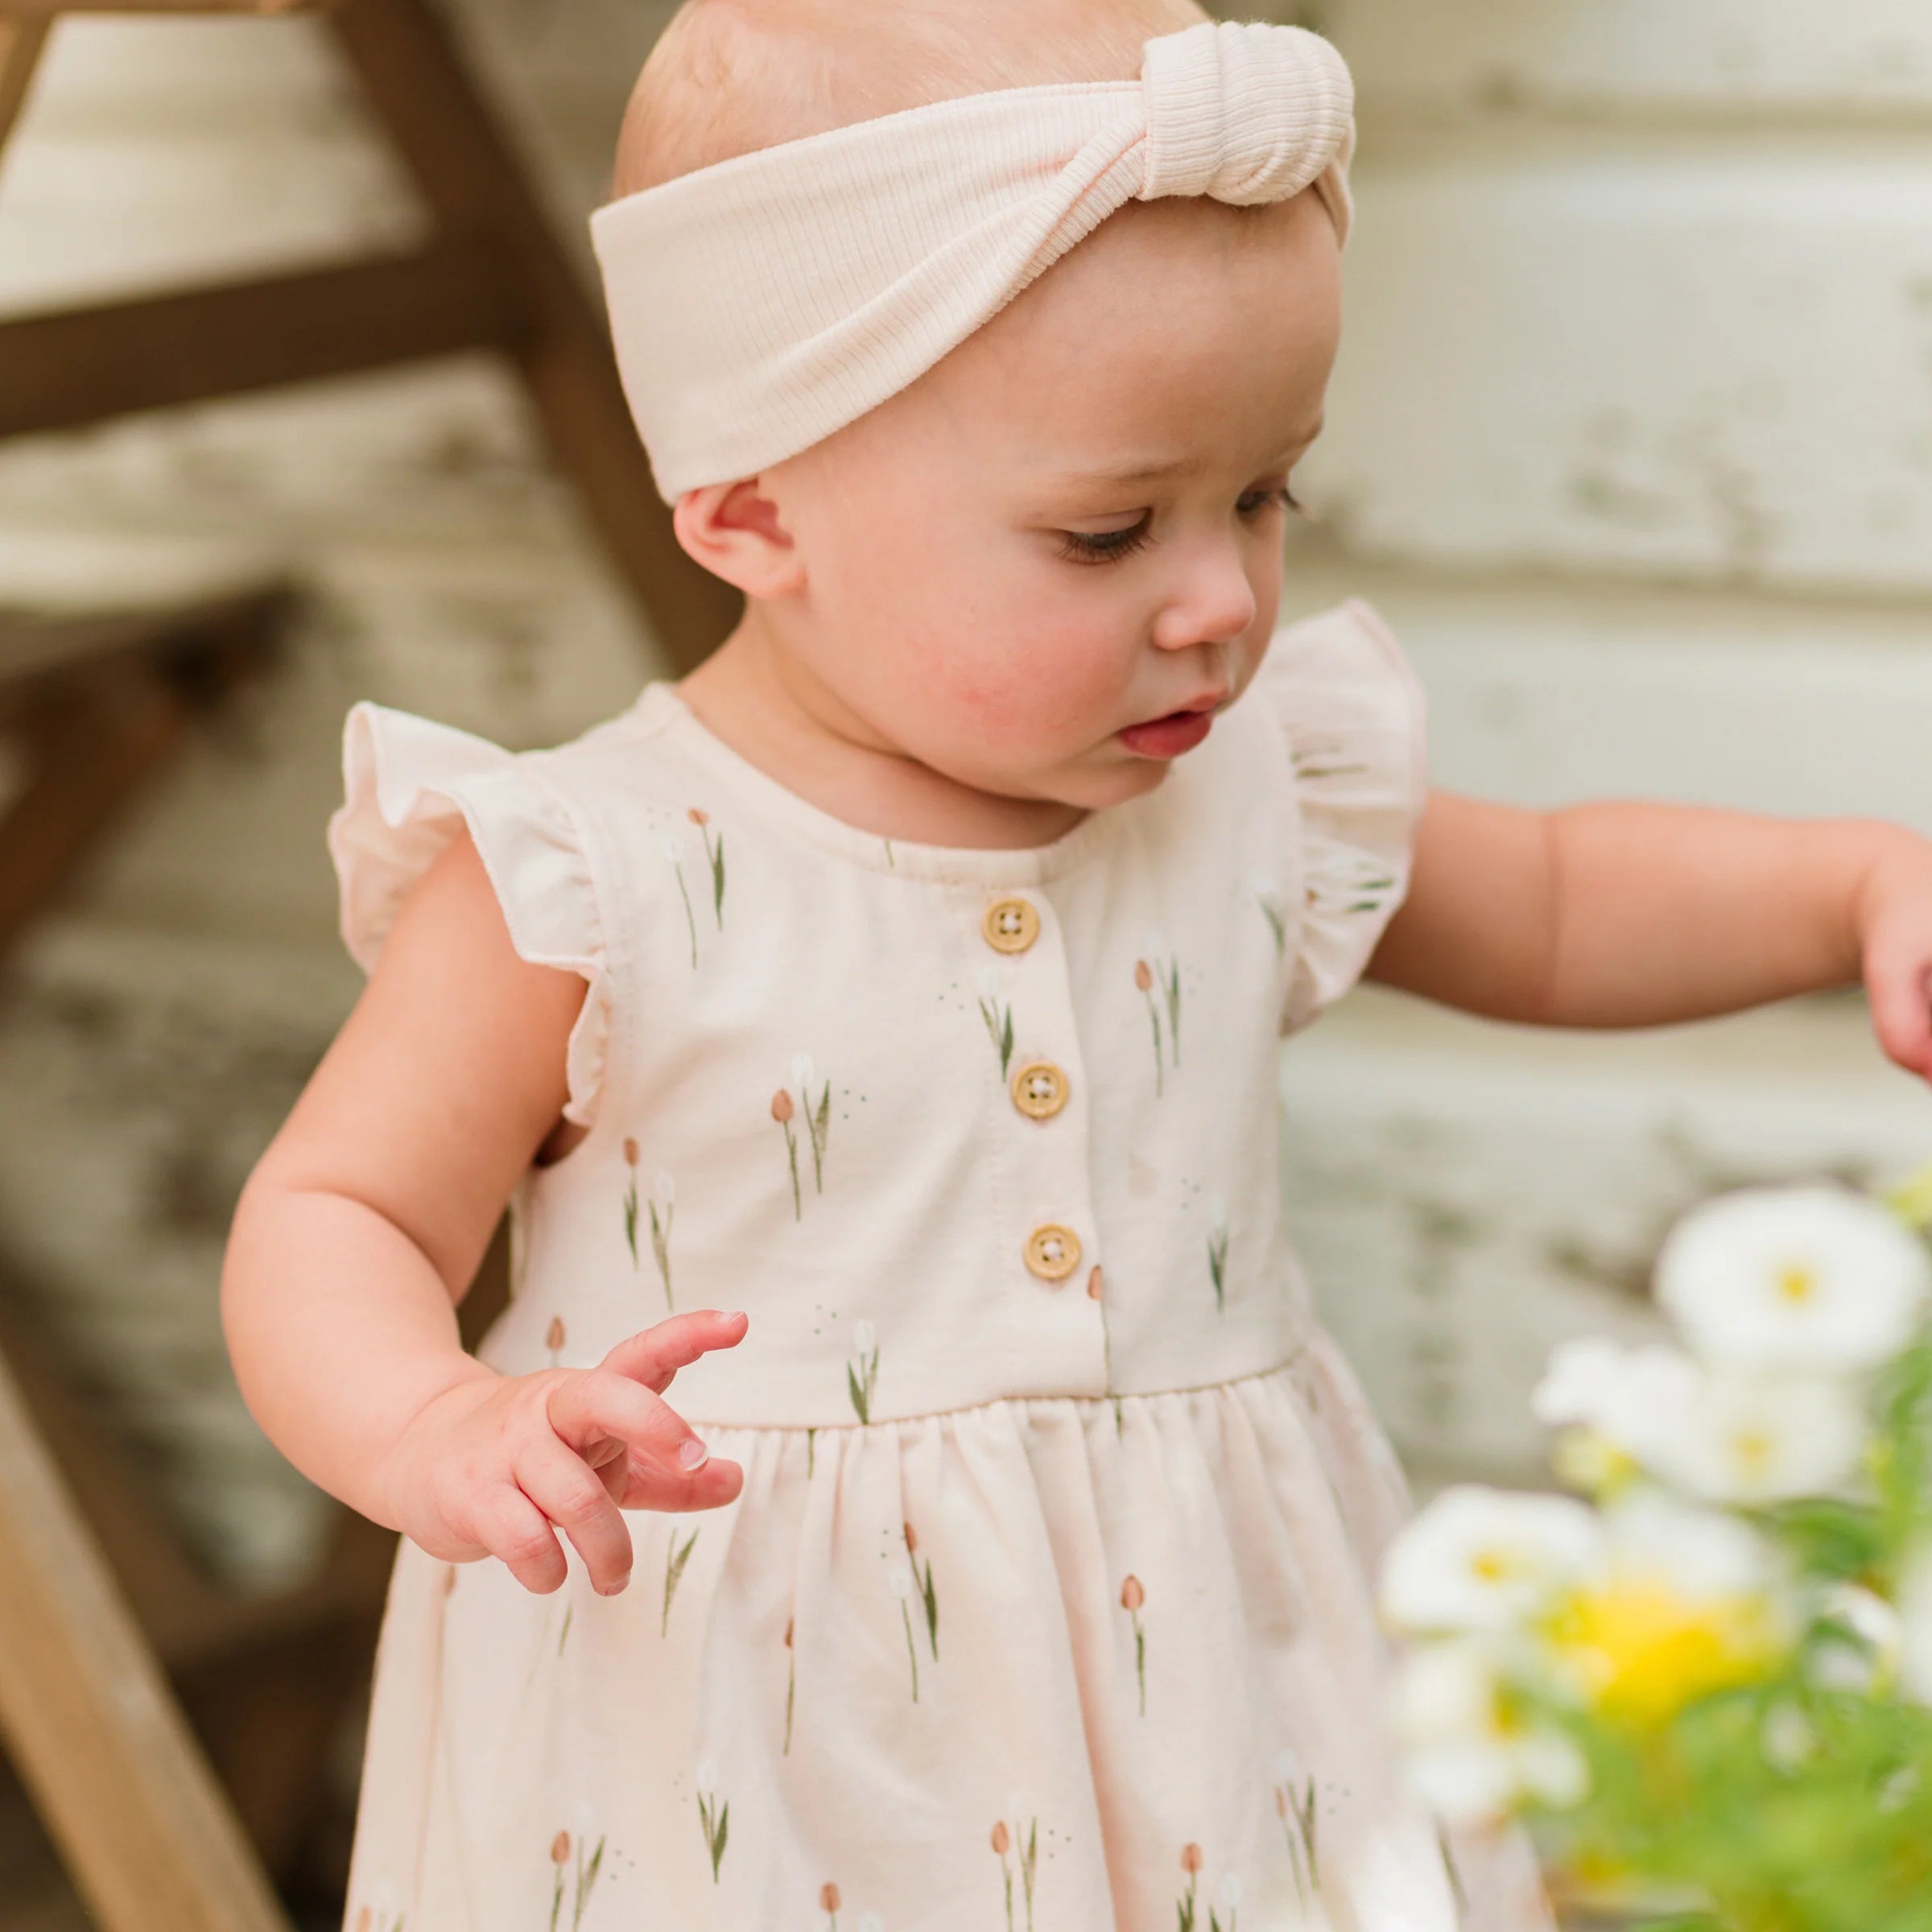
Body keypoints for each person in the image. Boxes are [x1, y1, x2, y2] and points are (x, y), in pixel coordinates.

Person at [220, 2, 1932, 1926]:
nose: (1218, 601)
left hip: (1222, 1677)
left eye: (1264, 495)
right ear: (754, 508)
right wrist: (440, 1423)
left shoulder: (1254, 793)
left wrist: (1855, 887)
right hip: (756, 1733)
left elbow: (1547, 898)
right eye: (1108, 529)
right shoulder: (590, 875)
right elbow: (337, 1211)